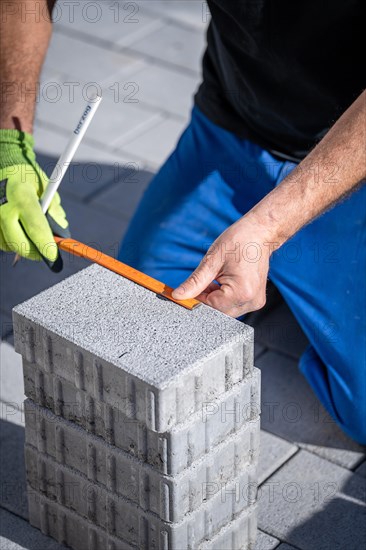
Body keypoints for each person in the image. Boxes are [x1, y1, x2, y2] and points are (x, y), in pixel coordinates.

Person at [0, 1, 365, 443]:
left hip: (348, 169)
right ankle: (280, 278)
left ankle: (290, 270)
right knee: (136, 335)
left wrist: (270, 227)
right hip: (231, 137)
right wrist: (10, 143)